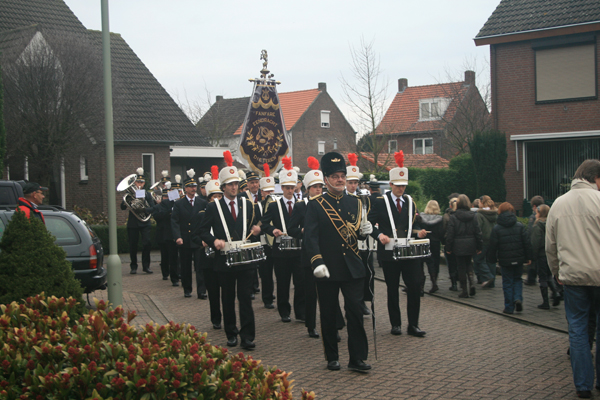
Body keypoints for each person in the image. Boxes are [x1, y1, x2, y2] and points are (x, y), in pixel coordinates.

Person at [304, 151, 372, 372]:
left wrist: (364, 233)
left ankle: (357, 358)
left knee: (355, 313)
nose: (340, 179)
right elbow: (310, 238)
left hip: (353, 268)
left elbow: (356, 237)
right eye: (335, 176)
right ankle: (332, 356)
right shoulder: (315, 205)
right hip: (328, 268)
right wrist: (317, 262)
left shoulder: (356, 203)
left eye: (342, 175)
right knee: (329, 314)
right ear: (326, 179)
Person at [546, 159, 600, 399]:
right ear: (595, 178)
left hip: (573, 278)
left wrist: (557, 272)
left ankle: (583, 385)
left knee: (577, 329)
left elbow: (551, 245)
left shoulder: (558, 204)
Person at [199, 151, 262, 350]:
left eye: (236, 184)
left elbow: (258, 222)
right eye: (230, 184)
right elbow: (202, 230)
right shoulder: (213, 207)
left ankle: (248, 336)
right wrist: (213, 240)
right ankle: (231, 333)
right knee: (227, 298)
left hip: (244, 260)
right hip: (223, 260)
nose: (234, 187)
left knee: (245, 298)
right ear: (223, 187)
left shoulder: (247, 204)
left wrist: (258, 228)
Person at [369, 151, 427, 338]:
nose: (401, 189)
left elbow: (414, 224)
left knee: (415, 286)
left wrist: (420, 232)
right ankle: (396, 324)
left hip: (409, 252)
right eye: (398, 185)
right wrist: (379, 235)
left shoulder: (410, 202)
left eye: (404, 185)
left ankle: (414, 324)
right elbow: (368, 225)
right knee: (392, 288)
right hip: (389, 252)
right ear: (391, 184)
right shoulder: (380, 202)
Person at [261, 156, 305, 323]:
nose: (289, 191)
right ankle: (284, 311)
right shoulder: (274, 204)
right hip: (280, 250)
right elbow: (264, 223)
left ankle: (300, 312)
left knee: (300, 282)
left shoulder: (301, 205)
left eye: (291, 188)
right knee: (283, 282)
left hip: (298, 248)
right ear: (282, 187)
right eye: (286, 187)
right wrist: (273, 230)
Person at [487, 202, 532, 314]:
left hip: (505, 260)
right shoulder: (520, 226)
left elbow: (493, 245)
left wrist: (491, 259)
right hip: (519, 259)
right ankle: (517, 298)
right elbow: (526, 243)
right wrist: (529, 257)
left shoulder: (497, 228)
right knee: (517, 279)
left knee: (507, 282)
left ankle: (509, 307)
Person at [171, 169, 207, 298]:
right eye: (190, 187)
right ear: (185, 189)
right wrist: (178, 237)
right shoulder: (179, 204)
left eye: (194, 186)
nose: (193, 189)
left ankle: (201, 291)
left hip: (198, 240)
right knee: (185, 267)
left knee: (200, 267)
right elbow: (174, 221)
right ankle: (187, 289)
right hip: (185, 239)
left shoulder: (202, 203)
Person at [195, 166, 223, 330]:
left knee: (226, 291)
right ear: (209, 198)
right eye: (214, 197)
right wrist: (202, 242)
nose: (217, 199)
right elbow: (194, 234)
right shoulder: (201, 214)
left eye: (220, 196)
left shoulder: (225, 215)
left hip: (222, 257)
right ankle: (216, 318)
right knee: (213, 292)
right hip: (207, 258)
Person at [346, 153, 373, 315]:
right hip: (348, 243)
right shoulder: (341, 200)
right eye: (350, 182)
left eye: (355, 182)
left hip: (364, 243)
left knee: (367, 272)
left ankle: (363, 301)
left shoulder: (364, 200)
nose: (353, 186)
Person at [445, 194, 483, 298]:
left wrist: (448, 248)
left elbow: (450, 234)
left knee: (461, 266)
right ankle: (472, 283)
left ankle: (464, 290)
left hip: (458, 245)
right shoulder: (474, 216)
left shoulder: (453, 217)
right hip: (471, 244)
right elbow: (478, 232)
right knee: (469, 264)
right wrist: (479, 246)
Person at [120, 168, 155, 274]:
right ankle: (133, 266)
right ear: (134, 182)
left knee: (146, 243)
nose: (139, 184)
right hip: (133, 223)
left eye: (142, 182)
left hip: (145, 222)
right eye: (138, 182)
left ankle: (146, 266)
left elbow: (153, 208)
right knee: (133, 245)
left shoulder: (148, 195)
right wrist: (126, 201)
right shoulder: (130, 195)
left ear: (144, 183)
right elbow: (122, 207)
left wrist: (143, 209)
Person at [147, 181, 178, 284]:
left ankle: (176, 276)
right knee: (165, 256)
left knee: (175, 257)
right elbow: (157, 216)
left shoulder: (179, 202)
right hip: (165, 233)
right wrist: (170, 211)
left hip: (177, 233)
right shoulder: (163, 204)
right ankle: (165, 273)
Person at [530, 204, 560, 310]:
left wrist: (532, 257)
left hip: (541, 255)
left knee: (542, 277)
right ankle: (556, 293)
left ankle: (545, 302)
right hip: (551, 254)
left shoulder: (537, 226)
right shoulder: (552, 224)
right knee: (549, 275)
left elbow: (535, 243)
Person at [258, 168, 276, 309]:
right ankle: (267, 297)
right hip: (263, 243)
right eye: (267, 191)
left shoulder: (277, 204)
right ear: (262, 192)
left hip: (275, 241)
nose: (270, 194)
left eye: (272, 191)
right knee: (266, 273)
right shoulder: (256, 206)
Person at [419, 200, 444, 294]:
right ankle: (434, 283)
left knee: (421, 262)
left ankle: (421, 285)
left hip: (423, 241)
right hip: (435, 243)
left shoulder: (421, 218)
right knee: (433, 263)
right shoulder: (440, 219)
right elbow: (442, 232)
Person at [477, 196, 499, 288]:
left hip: (484, 240)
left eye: (479, 202)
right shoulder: (495, 214)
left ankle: (488, 277)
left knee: (479, 260)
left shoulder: (479, 214)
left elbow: (478, 228)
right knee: (491, 261)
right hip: (493, 240)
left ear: (482, 202)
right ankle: (491, 282)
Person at [526, 195, 544, 286]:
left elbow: (530, 231)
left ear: (534, 206)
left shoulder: (533, 217)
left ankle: (531, 279)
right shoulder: (547, 215)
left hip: (535, 242)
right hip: (544, 245)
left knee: (532, 262)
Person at [442, 197, 459, 291]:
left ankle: (454, 283)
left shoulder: (447, 216)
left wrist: (445, 242)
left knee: (451, 264)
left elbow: (444, 230)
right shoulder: (463, 214)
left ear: (450, 205)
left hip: (450, 243)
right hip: (461, 244)